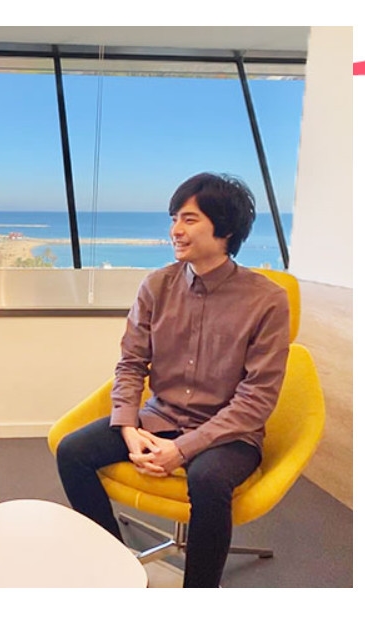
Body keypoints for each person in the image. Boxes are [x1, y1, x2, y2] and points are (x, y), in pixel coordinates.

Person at [56, 172, 290, 588]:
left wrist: (182, 449)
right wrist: (127, 427)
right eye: (174, 219)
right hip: (158, 417)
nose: (175, 230)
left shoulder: (266, 300)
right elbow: (131, 364)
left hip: (227, 433)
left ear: (225, 229)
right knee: (72, 451)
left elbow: (256, 399)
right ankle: (117, 564)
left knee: (208, 478)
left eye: (189, 219)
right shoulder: (156, 285)